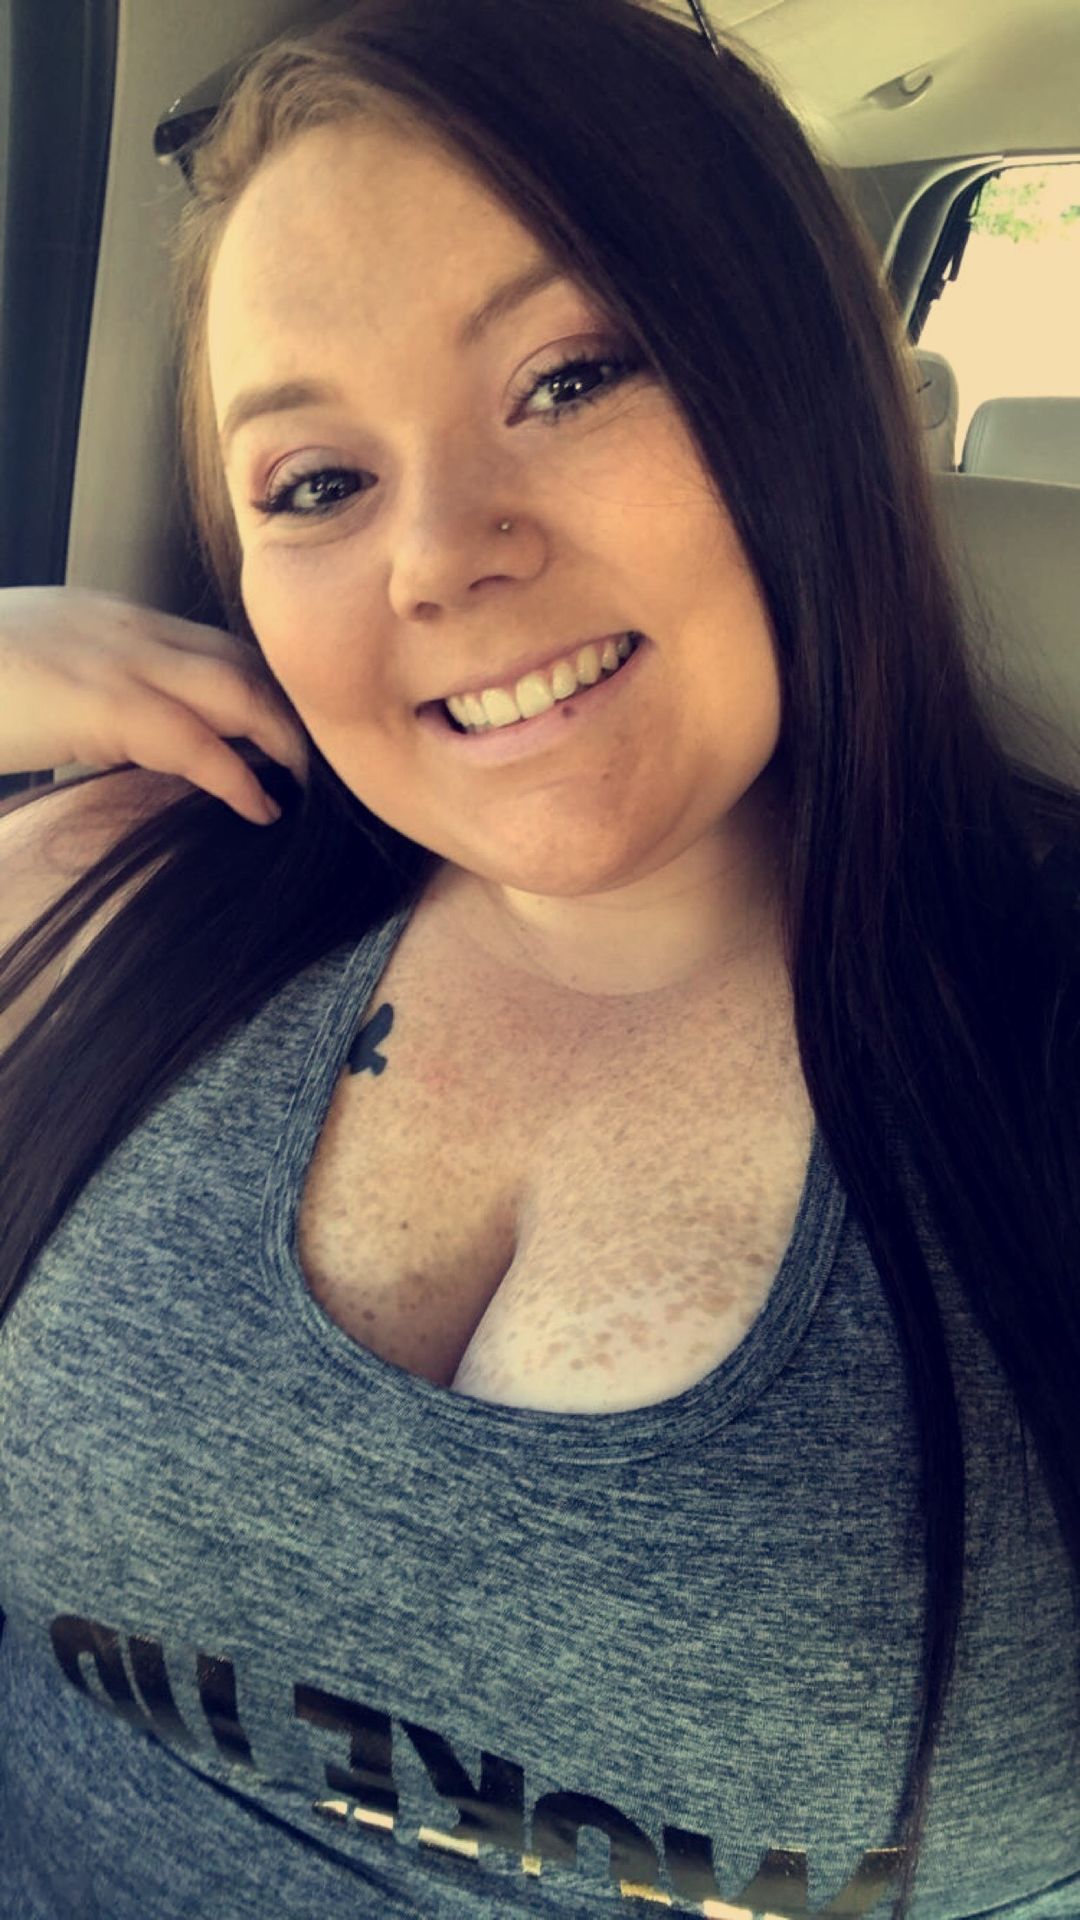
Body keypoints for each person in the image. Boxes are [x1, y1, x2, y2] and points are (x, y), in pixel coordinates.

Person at [0, 1, 1077, 1916]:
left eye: (570, 377)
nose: (439, 556)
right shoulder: (124, 893)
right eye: (315, 483)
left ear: (806, 388)